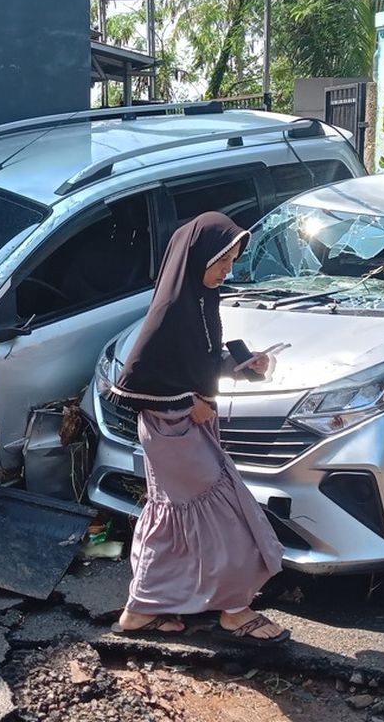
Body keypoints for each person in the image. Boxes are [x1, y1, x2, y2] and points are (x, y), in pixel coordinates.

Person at [107, 211, 289, 646]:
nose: (227, 273)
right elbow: (134, 384)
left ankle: (139, 610)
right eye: (221, 263)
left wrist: (241, 368)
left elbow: (197, 365)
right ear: (197, 259)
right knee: (223, 513)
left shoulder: (202, 302)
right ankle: (234, 610)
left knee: (171, 517)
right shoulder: (170, 310)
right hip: (171, 430)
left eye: (231, 264)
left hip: (188, 426)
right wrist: (189, 405)